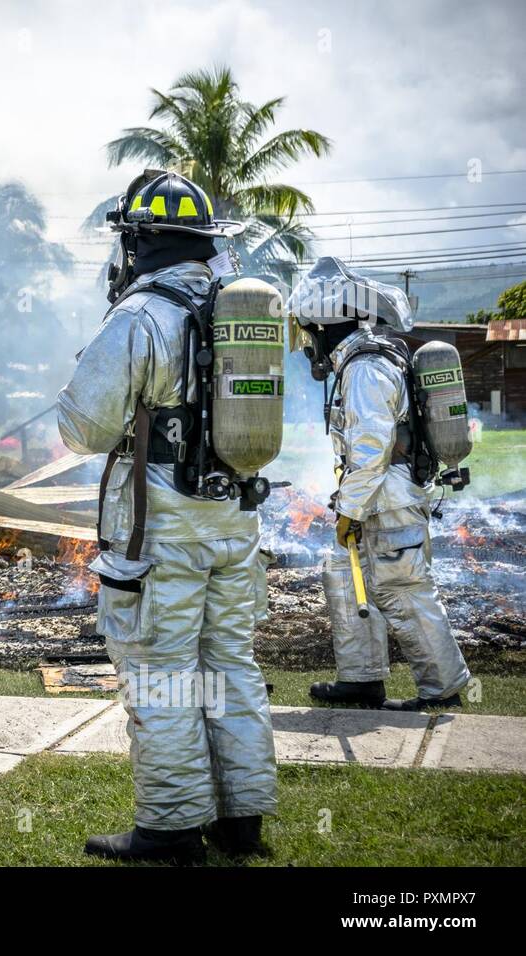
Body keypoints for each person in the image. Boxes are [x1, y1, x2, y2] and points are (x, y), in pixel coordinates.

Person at [58, 170, 277, 864]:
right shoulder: (235, 308)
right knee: (230, 667)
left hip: (165, 532)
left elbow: (83, 430)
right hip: (234, 523)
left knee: (162, 672)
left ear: (140, 239)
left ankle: (172, 829)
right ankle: (242, 821)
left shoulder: (141, 315)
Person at [288, 257, 470, 711]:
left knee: (404, 592)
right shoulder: (361, 360)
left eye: (310, 331)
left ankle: (444, 687)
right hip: (375, 501)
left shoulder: (366, 368)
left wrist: (349, 509)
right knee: (345, 580)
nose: (308, 343)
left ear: (329, 324)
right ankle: (361, 680)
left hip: (387, 504)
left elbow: (371, 448)